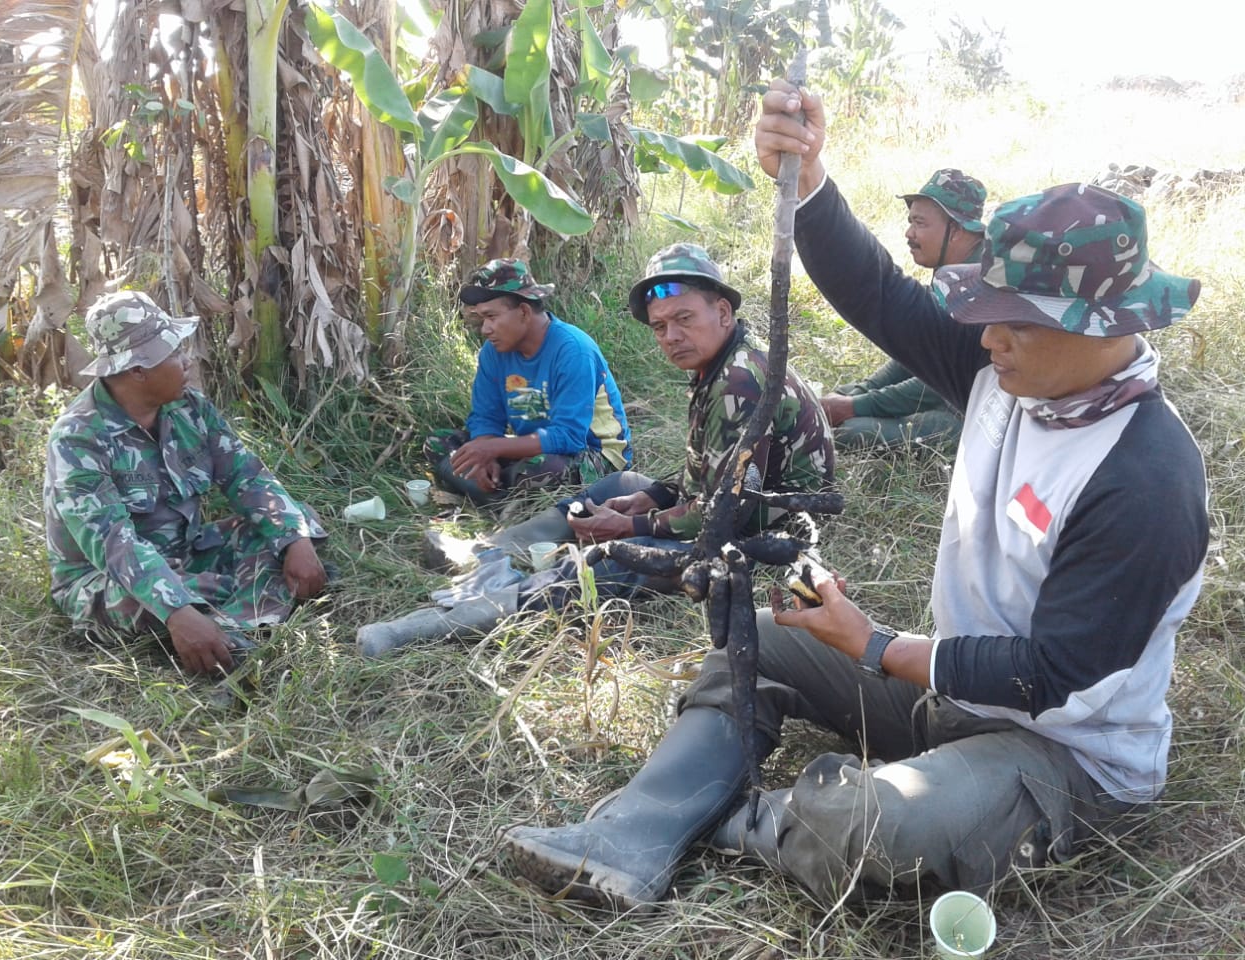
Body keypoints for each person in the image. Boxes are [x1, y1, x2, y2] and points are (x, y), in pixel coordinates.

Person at [500, 83, 1208, 911]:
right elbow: (881, 297)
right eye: (987, 314)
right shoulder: (1003, 375)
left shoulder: (1146, 477)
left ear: (1100, 323)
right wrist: (810, 181)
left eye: (1014, 321)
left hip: (1062, 749)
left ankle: (760, 819)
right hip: (954, 694)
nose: (986, 337)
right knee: (758, 637)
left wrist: (873, 645)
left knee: (889, 828)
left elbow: (1053, 674)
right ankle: (632, 833)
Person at [357, 244, 835, 657]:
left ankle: (433, 624)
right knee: (624, 486)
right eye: (660, 326)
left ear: (723, 313)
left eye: (684, 319)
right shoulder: (725, 363)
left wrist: (634, 525)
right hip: (737, 510)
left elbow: (726, 512)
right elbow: (715, 476)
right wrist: (656, 496)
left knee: (615, 558)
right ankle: (490, 554)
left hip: (765, 537)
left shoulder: (738, 382)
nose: (670, 336)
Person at [43, 291, 329, 676]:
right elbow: (114, 545)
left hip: (188, 550)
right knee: (155, 600)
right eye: (175, 353)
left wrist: (294, 539)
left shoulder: (189, 407)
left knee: (295, 526)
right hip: (108, 578)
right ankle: (230, 622)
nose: (188, 361)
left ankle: (233, 624)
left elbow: (247, 476)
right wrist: (177, 609)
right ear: (138, 370)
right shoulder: (78, 439)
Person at [423, 258, 632, 505]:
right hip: (531, 448)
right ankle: (502, 494)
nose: (485, 329)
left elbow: (569, 437)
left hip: (591, 453)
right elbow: (486, 417)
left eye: (491, 316)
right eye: (481, 319)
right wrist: (484, 454)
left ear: (523, 312)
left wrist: (493, 449)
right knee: (438, 444)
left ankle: (492, 496)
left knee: (542, 468)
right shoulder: (493, 352)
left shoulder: (574, 350)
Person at [821, 168, 985, 452]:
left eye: (920, 223)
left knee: (851, 431)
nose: (909, 233)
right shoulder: (954, 273)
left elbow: (937, 382)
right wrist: (859, 392)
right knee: (828, 404)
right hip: (946, 398)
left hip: (975, 415)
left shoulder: (979, 287)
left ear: (956, 231)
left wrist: (856, 406)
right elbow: (922, 348)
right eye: (910, 222)